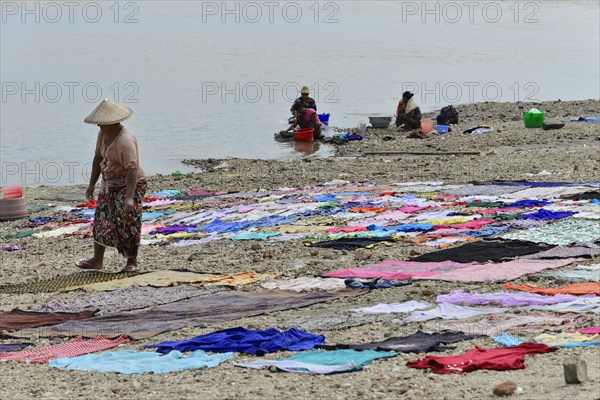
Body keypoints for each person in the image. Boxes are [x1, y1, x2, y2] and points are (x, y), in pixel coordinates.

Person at [76, 99, 146, 272]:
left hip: (129, 183)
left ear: (112, 123)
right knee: (102, 219)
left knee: (127, 220)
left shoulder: (124, 140)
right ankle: (97, 260)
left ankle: (131, 262)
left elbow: (132, 169)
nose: (99, 126)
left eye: (102, 123)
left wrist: (129, 197)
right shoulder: (103, 136)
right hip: (110, 183)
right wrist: (92, 184)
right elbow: (98, 158)